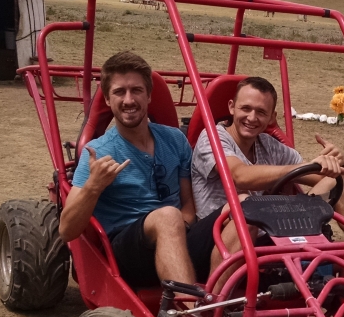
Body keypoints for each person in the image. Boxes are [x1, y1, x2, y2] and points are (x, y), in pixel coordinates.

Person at [190, 76, 344, 270]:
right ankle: (220, 300)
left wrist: (337, 161)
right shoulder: (212, 137)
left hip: (267, 233)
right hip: (217, 238)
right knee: (245, 205)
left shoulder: (268, 145)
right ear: (232, 107)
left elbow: (320, 176)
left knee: (339, 184)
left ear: (271, 116)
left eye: (261, 112)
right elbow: (240, 176)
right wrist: (301, 168)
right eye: (246, 108)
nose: (252, 118)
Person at [59, 51, 223, 286]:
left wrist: (180, 228)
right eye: (119, 92)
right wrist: (93, 187)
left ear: (148, 96)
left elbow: (189, 204)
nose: (128, 100)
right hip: (128, 251)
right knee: (167, 216)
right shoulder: (98, 153)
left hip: (178, 237)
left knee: (241, 207)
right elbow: (66, 231)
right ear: (107, 99)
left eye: (136, 90)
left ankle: (218, 302)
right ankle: (189, 314)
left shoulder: (175, 139)